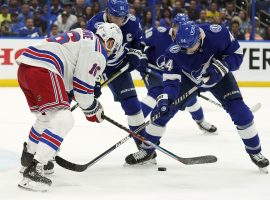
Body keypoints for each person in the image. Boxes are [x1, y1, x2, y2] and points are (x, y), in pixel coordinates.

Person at [125, 22, 269, 173]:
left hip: (219, 77)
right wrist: (166, 97)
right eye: (183, 47)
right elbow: (171, 81)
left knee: (241, 113)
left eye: (190, 47)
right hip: (188, 80)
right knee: (160, 112)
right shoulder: (173, 51)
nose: (186, 51)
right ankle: (147, 150)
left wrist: (221, 67)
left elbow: (237, 55)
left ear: (200, 37)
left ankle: (255, 152)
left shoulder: (218, 33)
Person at [16, 23, 123, 191]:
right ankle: (35, 169)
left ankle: (28, 158)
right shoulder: (98, 51)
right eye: (111, 44)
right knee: (64, 119)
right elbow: (82, 93)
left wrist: (83, 94)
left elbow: (69, 68)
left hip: (26, 68)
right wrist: (94, 109)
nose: (110, 49)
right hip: (45, 69)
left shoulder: (84, 34)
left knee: (45, 118)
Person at [140, 13, 217, 135]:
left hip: (173, 74)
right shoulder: (159, 33)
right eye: (177, 27)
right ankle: (136, 124)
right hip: (154, 70)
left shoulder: (189, 41)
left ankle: (201, 122)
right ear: (172, 26)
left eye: (182, 27)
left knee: (190, 99)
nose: (179, 30)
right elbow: (140, 41)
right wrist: (141, 56)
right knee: (156, 93)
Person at [86, 0, 148, 150]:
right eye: (115, 17)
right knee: (69, 102)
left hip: (119, 68)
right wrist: (93, 80)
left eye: (122, 17)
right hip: (96, 67)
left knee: (133, 106)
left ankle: (144, 149)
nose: (119, 21)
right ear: (107, 12)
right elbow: (87, 55)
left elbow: (138, 43)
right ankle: (49, 149)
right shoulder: (93, 25)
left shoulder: (132, 22)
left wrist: (135, 54)